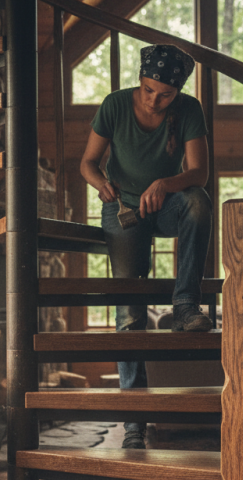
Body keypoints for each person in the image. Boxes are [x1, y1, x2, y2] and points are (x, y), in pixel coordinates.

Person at [79, 44, 213, 449]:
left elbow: (199, 173)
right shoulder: (115, 105)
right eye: (149, 90)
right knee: (130, 315)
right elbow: (87, 162)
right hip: (121, 210)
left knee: (198, 202)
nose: (155, 100)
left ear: (179, 92)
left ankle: (185, 304)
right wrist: (100, 183)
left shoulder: (189, 110)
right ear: (140, 80)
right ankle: (134, 424)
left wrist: (165, 185)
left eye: (165, 94)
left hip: (166, 205)